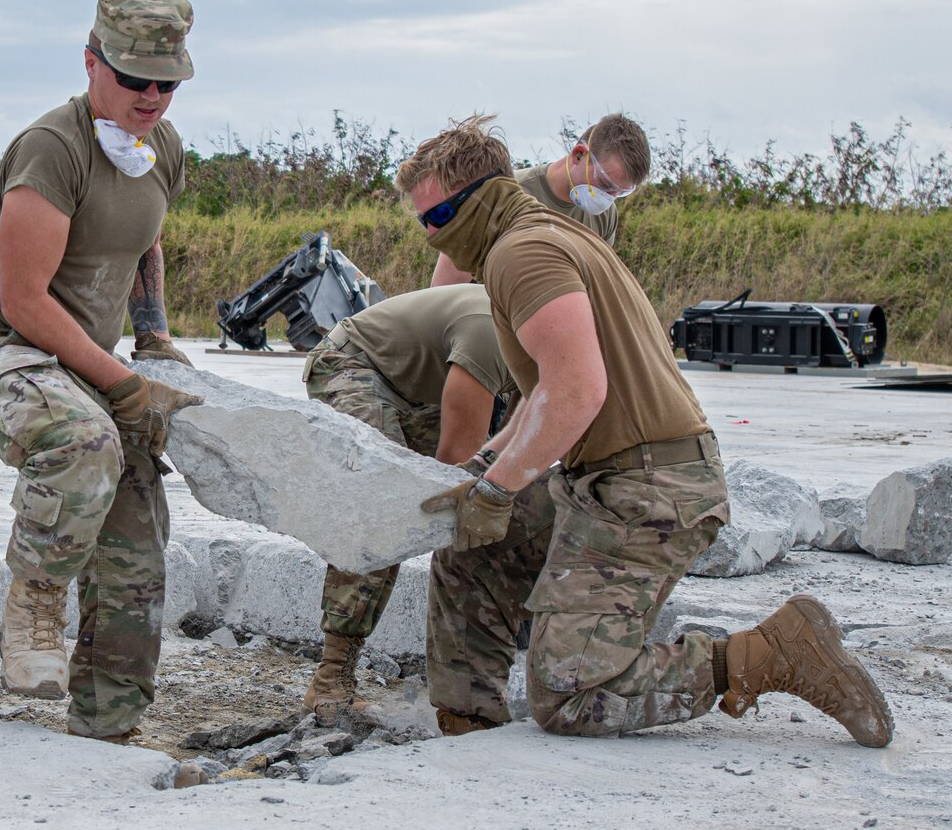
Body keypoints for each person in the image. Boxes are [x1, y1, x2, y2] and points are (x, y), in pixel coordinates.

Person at [407, 116, 892, 746]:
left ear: (478, 196)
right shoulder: (543, 235)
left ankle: (768, 653)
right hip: (614, 478)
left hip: (651, 490)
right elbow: (542, 393)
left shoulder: (520, 253)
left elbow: (578, 393)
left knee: (571, 696)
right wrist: (486, 475)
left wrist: (498, 490)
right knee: (470, 542)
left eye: (437, 215)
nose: (431, 234)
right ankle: (468, 719)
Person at [0, 0, 202, 741]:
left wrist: (153, 337)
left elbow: (145, 240)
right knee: (85, 439)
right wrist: (123, 384)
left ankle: (108, 724)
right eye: (134, 79)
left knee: (137, 537)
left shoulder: (160, 147)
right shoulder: (50, 150)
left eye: (168, 81)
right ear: (92, 63)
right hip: (11, 353)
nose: (152, 95)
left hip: (90, 362)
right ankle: (31, 608)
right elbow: (25, 300)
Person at [298, 283, 515, 714]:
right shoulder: (489, 337)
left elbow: (526, 434)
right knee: (383, 505)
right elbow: (454, 466)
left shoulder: (553, 346)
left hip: (419, 389)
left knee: (492, 496)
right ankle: (331, 678)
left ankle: (477, 669)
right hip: (352, 363)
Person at [430, 113, 649, 286]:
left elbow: (596, 287)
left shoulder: (604, 215)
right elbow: (444, 292)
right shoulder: (502, 195)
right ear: (579, 155)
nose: (608, 198)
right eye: (605, 184)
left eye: (620, 193)